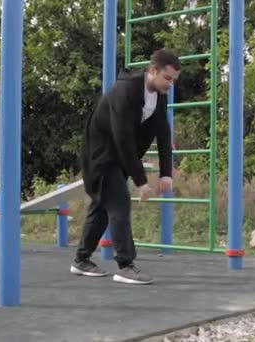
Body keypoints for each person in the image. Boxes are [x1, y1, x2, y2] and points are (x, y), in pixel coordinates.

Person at [70, 49, 181, 284]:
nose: (170, 85)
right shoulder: (125, 91)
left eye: (173, 80)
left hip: (118, 157)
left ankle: (81, 260)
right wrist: (141, 182)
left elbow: (163, 132)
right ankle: (125, 265)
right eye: (167, 78)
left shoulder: (158, 95)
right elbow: (123, 139)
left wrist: (166, 174)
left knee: (101, 209)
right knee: (119, 203)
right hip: (100, 157)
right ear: (153, 70)